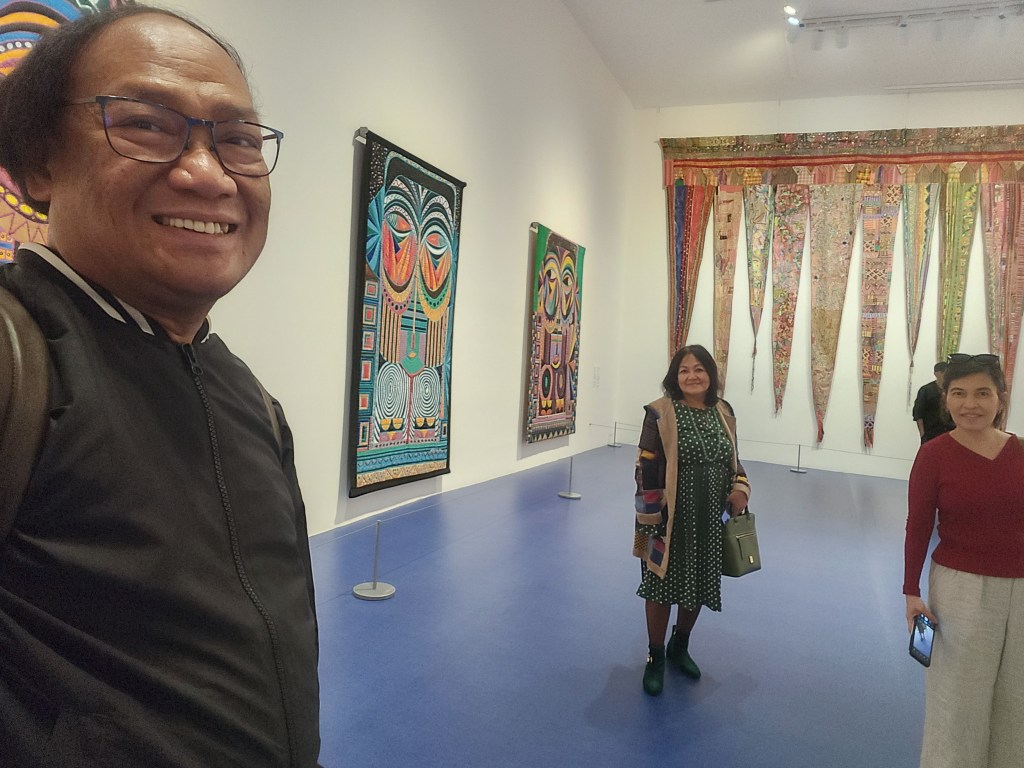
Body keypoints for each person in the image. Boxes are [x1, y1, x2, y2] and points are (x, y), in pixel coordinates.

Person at [0, 7, 322, 767]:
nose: (207, 174)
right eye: (146, 124)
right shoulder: (17, 361)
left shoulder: (251, 399)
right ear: (40, 164)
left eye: (239, 140)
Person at [903, 353, 1024, 768]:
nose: (970, 404)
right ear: (946, 400)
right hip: (960, 589)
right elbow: (918, 525)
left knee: (1016, 696)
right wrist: (911, 591)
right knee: (957, 697)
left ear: (1001, 398)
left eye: (982, 393)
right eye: (959, 393)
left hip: (1021, 589)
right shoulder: (934, 455)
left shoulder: (1020, 452)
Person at [632, 344, 750, 696]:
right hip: (668, 519)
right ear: (675, 376)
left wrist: (741, 489)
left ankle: (679, 646)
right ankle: (655, 657)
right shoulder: (660, 412)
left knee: (697, 582)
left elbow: (734, 460)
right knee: (659, 585)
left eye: (699, 369)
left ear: (710, 374)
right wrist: (650, 518)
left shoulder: (723, 412)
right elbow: (645, 468)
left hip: (711, 518)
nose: (692, 376)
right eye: (684, 370)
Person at [913, 361, 953, 443]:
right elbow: (918, 413)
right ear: (937, 374)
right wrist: (922, 434)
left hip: (950, 431)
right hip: (931, 432)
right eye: (944, 373)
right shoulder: (926, 390)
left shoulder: (953, 390)